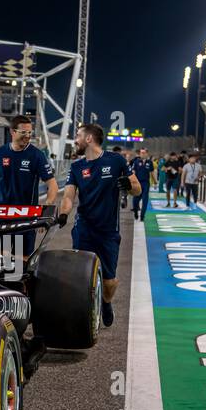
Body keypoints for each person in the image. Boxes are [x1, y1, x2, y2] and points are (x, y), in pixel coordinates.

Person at [58, 123, 139, 327]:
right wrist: (63, 214)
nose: (75, 139)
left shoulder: (116, 161)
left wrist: (129, 186)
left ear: (88, 139)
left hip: (108, 231)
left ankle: (106, 302)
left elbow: (137, 189)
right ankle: (83, 313)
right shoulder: (76, 167)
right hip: (84, 228)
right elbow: (68, 195)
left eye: (77, 135)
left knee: (110, 282)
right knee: (80, 275)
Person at [0, 114, 58, 255]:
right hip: (1, 217)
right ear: (12, 132)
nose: (27, 136)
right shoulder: (0, 152)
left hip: (26, 218)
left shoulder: (36, 155)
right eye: (23, 132)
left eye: (30, 132)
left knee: (21, 264)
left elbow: (53, 185)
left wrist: (45, 211)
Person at [129, 147, 154, 220]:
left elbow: (152, 172)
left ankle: (142, 216)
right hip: (137, 183)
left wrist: (155, 182)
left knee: (145, 199)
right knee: (136, 199)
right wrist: (131, 181)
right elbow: (133, 172)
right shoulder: (136, 162)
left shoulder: (149, 162)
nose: (142, 154)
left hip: (146, 183)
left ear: (147, 153)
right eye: (141, 153)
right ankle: (136, 211)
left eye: (144, 153)